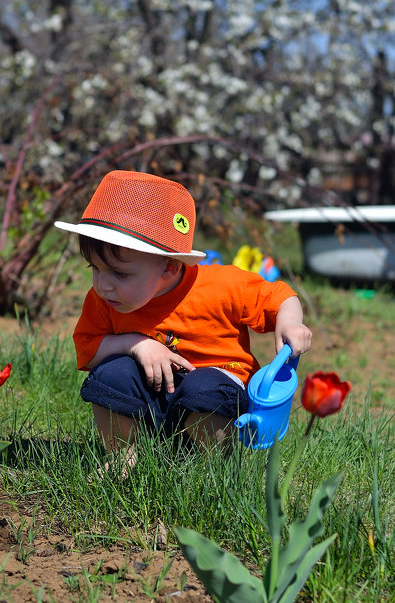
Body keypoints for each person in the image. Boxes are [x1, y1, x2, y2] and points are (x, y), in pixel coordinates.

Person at [54, 170, 312, 467]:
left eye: (120, 273)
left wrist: (290, 322)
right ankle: (123, 456)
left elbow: (279, 296)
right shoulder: (105, 299)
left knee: (203, 387)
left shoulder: (221, 286)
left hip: (213, 399)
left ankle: (209, 468)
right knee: (111, 374)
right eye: (95, 268)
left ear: (169, 269)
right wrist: (136, 344)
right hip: (148, 401)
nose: (103, 284)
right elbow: (89, 346)